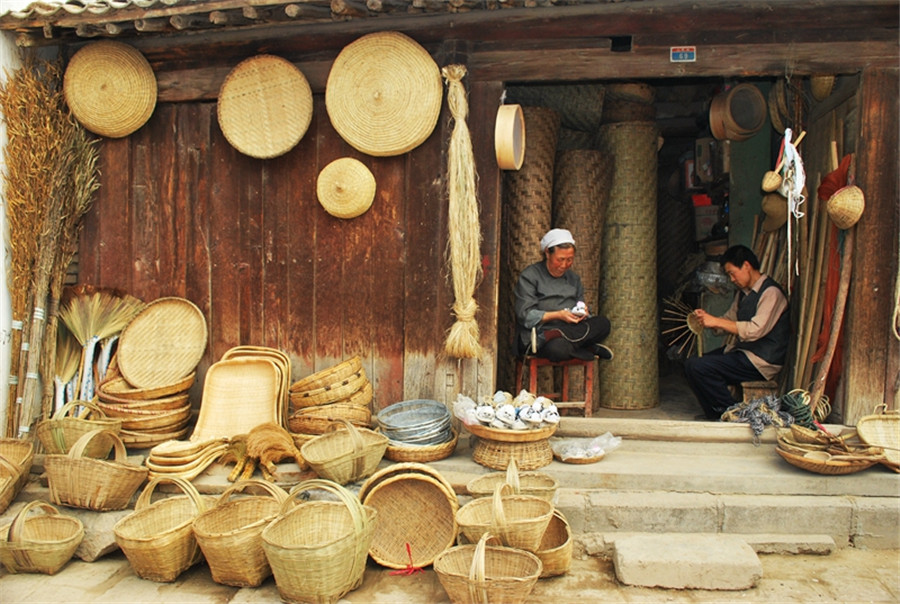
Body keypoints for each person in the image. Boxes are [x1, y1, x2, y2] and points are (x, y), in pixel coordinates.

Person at [684, 244, 790, 420]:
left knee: (700, 368)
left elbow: (755, 330)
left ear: (747, 266)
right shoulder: (743, 294)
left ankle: (734, 415)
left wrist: (717, 321)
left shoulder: (771, 293)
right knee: (691, 364)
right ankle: (715, 414)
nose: (732, 279)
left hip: (761, 362)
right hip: (743, 355)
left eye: (733, 273)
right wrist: (707, 321)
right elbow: (728, 319)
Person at [513, 228, 613, 362]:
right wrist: (558, 315)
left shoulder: (573, 279)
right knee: (558, 349)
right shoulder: (530, 276)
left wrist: (583, 313)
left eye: (569, 260)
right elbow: (525, 316)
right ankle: (587, 348)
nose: (564, 265)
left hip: (569, 331)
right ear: (548, 253)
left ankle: (570, 342)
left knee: (603, 323)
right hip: (539, 337)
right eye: (560, 259)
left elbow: (580, 305)